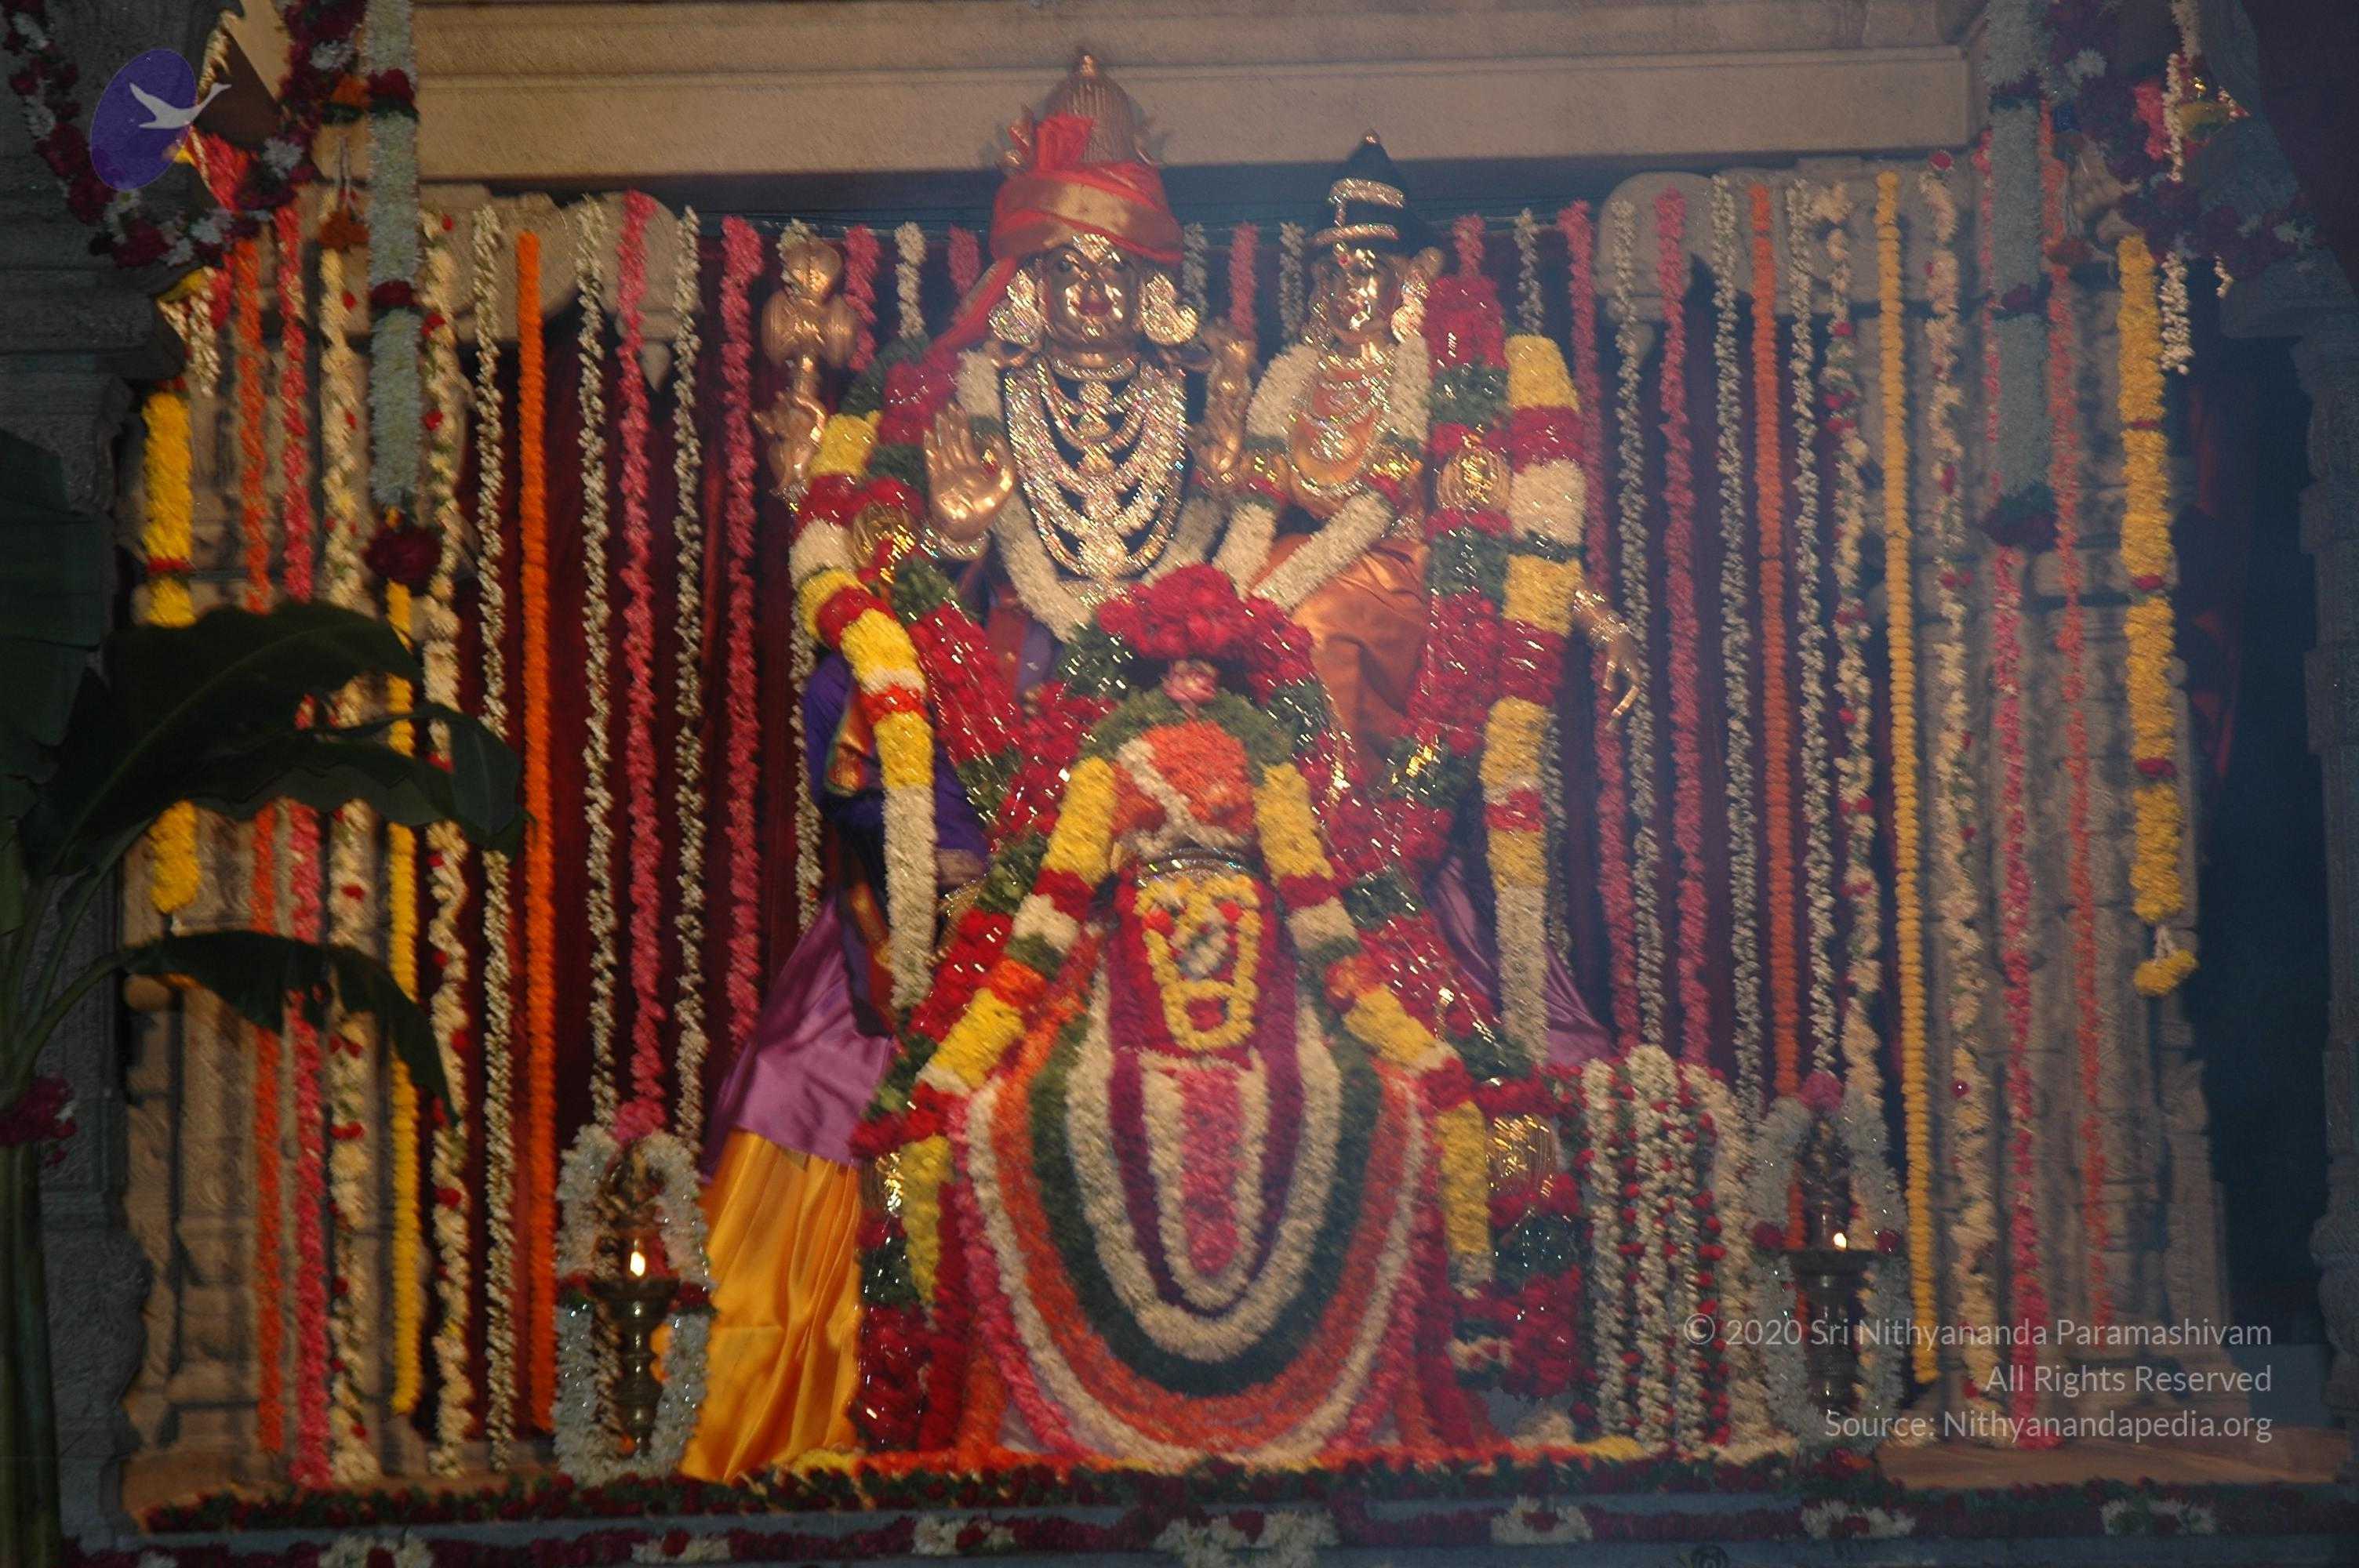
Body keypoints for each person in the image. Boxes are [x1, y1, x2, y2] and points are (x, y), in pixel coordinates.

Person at [683, 53, 1219, 1479]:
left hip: (1175, 829)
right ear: (1022, 286)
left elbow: (1252, 625)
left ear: (1155, 287)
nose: (1090, 297)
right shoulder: (952, 422)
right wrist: (967, 542)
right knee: (829, 1055)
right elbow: (870, 637)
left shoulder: (1212, 428)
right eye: (1063, 268)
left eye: (1116, 270)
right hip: (982, 821)